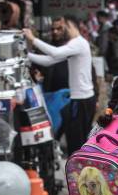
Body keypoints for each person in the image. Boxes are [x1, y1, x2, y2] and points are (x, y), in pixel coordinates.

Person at [25, 15, 96, 155]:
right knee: (75, 140)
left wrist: (33, 39)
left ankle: (78, 172)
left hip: (82, 100)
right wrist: (26, 56)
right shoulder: (75, 44)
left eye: (63, 28)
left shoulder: (78, 43)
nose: (62, 31)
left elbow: (55, 53)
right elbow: (49, 61)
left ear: (71, 26)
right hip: (81, 99)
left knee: (77, 144)